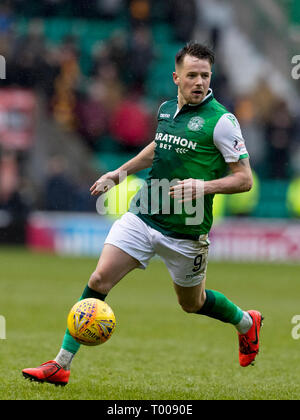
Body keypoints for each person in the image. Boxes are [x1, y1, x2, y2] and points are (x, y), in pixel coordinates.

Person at [22, 42, 263, 386]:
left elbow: (244, 179)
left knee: (192, 304)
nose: (199, 82)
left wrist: (203, 187)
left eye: (205, 75)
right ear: (176, 77)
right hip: (144, 214)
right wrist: (118, 174)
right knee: (99, 279)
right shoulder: (166, 110)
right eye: (192, 75)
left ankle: (245, 323)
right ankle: (61, 363)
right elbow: (158, 146)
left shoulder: (222, 122)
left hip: (187, 229)